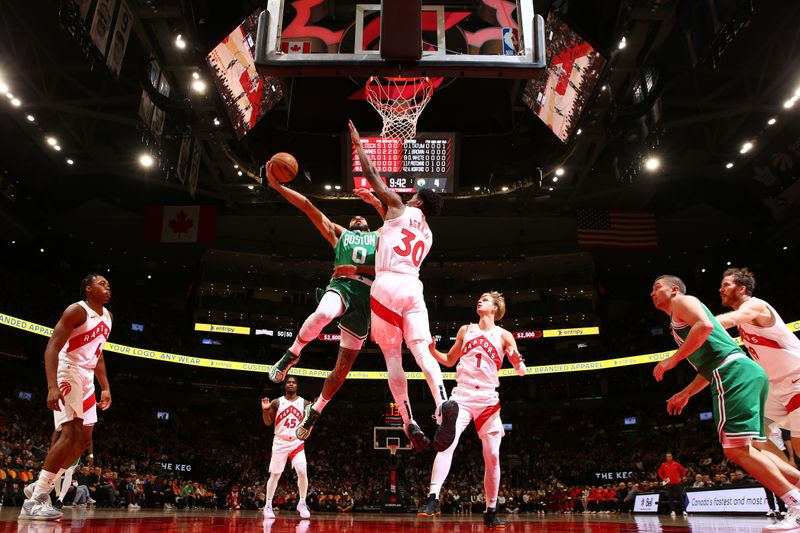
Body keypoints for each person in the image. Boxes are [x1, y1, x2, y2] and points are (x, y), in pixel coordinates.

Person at [651, 275, 800, 532]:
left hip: (735, 372)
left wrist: (673, 359)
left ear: (674, 290)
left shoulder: (683, 302)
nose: (651, 293)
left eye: (656, 287)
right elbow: (710, 362)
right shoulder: (679, 320)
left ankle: (795, 506)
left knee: (736, 449)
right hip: (745, 372)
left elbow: (706, 326)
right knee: (753, 446)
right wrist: (686, 393)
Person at [349, 119, 456, 453]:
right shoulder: (428, 233)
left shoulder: (399, 205)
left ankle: (409, 421)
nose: (407, 196)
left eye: (412, 196)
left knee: (392, 356)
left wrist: (358, 142)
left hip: (386, 287)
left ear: (419, 201)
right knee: (421, 349)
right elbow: (394, 226)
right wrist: (375, 205)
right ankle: (443, 401)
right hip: (414, 288)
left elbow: (373, 175)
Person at [264, 162, 384, 441]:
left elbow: (394, 220)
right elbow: (308, 206)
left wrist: (376, 201)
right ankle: (291, 354)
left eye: (360, 218)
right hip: (341, 286)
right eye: (353, 218)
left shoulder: (379, 237)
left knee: (342, 369)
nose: (356, 218)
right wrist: (279, 186)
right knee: (323, 312)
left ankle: (315, 410)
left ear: (367, 225)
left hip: (366, 300)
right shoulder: (339, 234)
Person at [417, 292, 526, 529]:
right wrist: (433, 351)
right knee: (448, 443)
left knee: (493, 457)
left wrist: (519, 362)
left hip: (488, 399)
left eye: (485, 299)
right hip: (463, 397)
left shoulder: (505, 335)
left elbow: (520, 370)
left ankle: (491, 509)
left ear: (495, 308)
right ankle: (433, 498)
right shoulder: (466, 330)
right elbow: (448, 360)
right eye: (480, 298)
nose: (480, 301)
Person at [19, 274, 112, 521]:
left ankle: (40, 485)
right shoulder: (76, 311)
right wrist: (52, 385)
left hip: (87, 377)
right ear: (88, 289)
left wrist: (105, 387)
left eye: (108, 283)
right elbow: (52, 346)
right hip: (68, 370)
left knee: (83, 440)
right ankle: (35, 499)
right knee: (70, 432)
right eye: (102, 283)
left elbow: (99, 354)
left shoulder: (109, 317)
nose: (107, 286)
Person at [717, 267, 800, 458]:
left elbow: (729, 319)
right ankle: (793, 481)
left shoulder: (756, 306)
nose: (721, 289)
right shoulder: (743, 318)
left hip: (795, 377)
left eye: (726, 285)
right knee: (755, 437)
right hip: (773, 386)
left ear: (742, 289)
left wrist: (699, 322)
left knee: (798, 444)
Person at [261, 377, 311, 519]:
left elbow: (310, 422)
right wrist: (265, 410)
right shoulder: (277, 402)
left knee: (302, 471)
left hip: (296, 442)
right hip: (280, 442)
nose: (291, 384)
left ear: (297, 386)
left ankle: (302, 503)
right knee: (275, 474)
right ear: (284, 386)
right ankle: (268, 505)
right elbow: (268, 422)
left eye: (294, 382)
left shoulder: (304, 403)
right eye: (288, 382)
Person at [657, 452, 687, 517]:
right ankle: (672, 511)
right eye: (667, 456)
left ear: (672, 457)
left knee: (680, 497)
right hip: (668, 483)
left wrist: (682, 477)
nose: (669, 457)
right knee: (670, 498)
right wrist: (663, 479)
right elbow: (659, 472)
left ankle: (684, 511)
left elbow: (684, 470)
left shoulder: (676, 464)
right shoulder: (664, 465)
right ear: (666, 457)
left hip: (677, 483)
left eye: (670, 456)